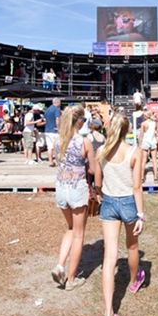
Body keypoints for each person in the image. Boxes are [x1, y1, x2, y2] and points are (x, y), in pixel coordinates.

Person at [94, 113, 146, 316]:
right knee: (132, 246)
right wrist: (141, 213)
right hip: (128, 202)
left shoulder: (101, 151)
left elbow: (97, 181)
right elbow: (137, 186)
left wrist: (99, 194)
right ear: (127, 130)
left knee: (109, 257)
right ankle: (134, 282)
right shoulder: (135, 152)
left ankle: (108, 315)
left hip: (109, 201)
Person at [51, 105, 100, 291]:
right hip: (77, 188)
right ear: (78, 121)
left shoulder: (58, 140)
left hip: (61, 187)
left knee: (70, 228)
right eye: (84, 120)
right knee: (79, 234)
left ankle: (60, 265)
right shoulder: (84, 142)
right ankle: (71, 280)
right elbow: (93, 170)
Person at [139, 110, 158, 182]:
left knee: (144, 160)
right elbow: (156, 132)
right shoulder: (154, 123)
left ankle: (142, 177)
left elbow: (141, 135)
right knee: (154, 160)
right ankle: (156, 177)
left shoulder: (143, 124)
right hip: (152, 141)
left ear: (146, 116)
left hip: (145, 141)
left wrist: (139, 144)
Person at [45, 98, 62, 167]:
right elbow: (57, 119)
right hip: (54, 131)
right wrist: (59, 128)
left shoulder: (47, 110)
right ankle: (57, 162)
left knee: (49, 147)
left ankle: (50, 161)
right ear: (57, 102)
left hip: (47, 130)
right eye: (60, 102)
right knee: (57, 147)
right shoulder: (56, 109)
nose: (60, 104)